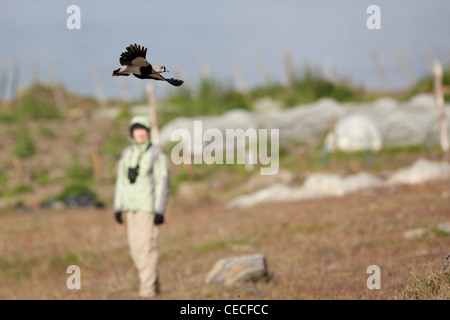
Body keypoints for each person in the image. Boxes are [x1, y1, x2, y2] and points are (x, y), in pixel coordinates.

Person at [113, 115, 170, 298]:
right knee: (135, 250)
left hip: (147, 207)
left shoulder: (156, 153)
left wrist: (159, 210)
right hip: (130, 208)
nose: (141, 133)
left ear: (148, 132)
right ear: (132, 132)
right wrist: (117, 206)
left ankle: (147, 292)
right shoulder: (126, 154)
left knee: (147, 250)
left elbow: (163, 181)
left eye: (144, 129)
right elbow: (120, 181)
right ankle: (154, 286)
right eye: (137, 129)